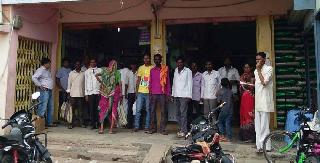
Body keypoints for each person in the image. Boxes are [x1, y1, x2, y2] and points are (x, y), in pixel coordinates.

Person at [254, 52, 274, 153]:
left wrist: (258, 70)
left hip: (265, 102)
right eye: (256, 60)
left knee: (264, 126)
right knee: (257, 126)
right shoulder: (255, 71)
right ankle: (259, 146)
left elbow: (264, 83)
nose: (257, 61)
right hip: (257, 102)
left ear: (264, 60)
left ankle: (266, 146)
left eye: (259, 59)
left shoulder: (269, 69)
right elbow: (258, 86)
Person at [95, 60, 122, 134]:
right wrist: (101, 82)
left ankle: (110, 129)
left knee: (111, 109)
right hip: (109, 92)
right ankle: (102, 128)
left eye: (115, 65)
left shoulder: (116, 72)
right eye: (113, 65)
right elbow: (96, 75)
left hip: (112, 93)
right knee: (105, 109)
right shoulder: (108, 71)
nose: (114, 67)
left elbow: (120, 83)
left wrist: (121, 93)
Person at [149, 54, 171, 135]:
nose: (157, 61)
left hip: (162, 93)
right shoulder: (152, 70)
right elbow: (150, 82)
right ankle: (153, 128)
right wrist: (150, 93)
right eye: (155, 59)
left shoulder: (165, 69)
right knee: (152, 111)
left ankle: (163, 129)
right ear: (154, 60)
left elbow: (168, 82)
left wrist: (168, 93)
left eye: (158, 59)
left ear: (161, 60)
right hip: (153, 94)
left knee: (163, 112)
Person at [32, 58, 57, 127]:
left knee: (50, 106)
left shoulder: (47, 70)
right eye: (49, 63)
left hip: (49, 90)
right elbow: (34, 77)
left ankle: (49, 122)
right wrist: (40, 86)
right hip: (44, 90)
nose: (50, 65)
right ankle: (40, 124)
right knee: (43, 106)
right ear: (45, 64)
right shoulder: (41, 70)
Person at [172, 57, 193, 138]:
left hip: (184, 95)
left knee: (183, 114)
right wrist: (172, 94)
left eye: (181, 62)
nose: (179, 64)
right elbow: (174, 82)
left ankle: (184, 131)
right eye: (178, 62)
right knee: (177, 114)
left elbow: (190, 83)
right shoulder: (176, 70)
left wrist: (189, 96)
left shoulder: (188, 71)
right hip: (177, 95)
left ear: (184, 63)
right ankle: (182, 129)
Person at [133, 54, 153, 132]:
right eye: (144, 58)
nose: (146, 60)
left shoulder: (152, 68)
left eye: (147, 58)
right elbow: (138, 80)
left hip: (149, 92)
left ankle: (147, 126)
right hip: (140, 92)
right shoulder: (141, 68)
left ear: (149, 59)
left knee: (148, 110)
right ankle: (136, 126)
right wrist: (136, 91)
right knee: (138, 110)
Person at [218, 57, 240, 125]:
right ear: (224, 62)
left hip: (232, 92)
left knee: (232, 109)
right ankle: (224, 124)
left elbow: (239, 81)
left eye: (228, 61)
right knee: (223, 108)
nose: (227, 62)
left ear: (230, 62)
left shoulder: (235, 70)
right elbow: (218, 82)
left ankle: (232, 123)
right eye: (226, 61)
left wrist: (232, 82)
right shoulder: (220, 70)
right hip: (222, 92)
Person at [66, 60, 85, 129]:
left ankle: (81, 123)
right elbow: (69, 84)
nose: (77, 65)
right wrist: (68, 94)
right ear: (75, 65)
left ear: (80, 65)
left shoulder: (83, 73)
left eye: (79, 64)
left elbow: (85, 84)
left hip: (81, 94)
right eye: (76, 64)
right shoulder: (71, 73)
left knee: (81, 110)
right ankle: (70, 123)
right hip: (72, 94)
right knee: (72, 110)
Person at [239, 64, 255, 142]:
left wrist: (247, 81)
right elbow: (241, 89)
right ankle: (244, 137)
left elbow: (252, 88)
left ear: (251, 68)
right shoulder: (242, 76)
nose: (246, 69)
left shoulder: (253, 77)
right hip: (244, 98)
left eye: (248, 67)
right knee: (244, 116)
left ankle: (251, 137)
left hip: (250, 98)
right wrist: (242, 80)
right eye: (245, 67)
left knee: (250, 116)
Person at [85, 58, 101, 129]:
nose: (92, 63)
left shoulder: (100, 70)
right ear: (89, 63)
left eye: (94, 62)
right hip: (90, 92)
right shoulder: (87, 71)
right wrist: (86, 94)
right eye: (91, 62)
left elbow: (102, 82)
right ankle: (92, 124)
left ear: (96, 63)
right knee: (91, 109)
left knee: (97, 109)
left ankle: (98, 123)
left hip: (98, 92)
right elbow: (85, 83)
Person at [217, 78, 233, 142]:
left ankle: (222, 135)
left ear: (221, 84)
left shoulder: (220, 91)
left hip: (223, 109)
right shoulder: (230, 91)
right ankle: (228, 137)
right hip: (230, 109)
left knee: (219, 122)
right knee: (227, 123)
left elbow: (218, 101)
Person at [188, 62, 202, 127]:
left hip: (197, 97)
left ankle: (198, 126)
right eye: (192, 66)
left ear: (197, 67)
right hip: (189, 97)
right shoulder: (188, 74)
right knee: (189, 112)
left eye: (195, 66)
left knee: (198, 113)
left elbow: (202, 87)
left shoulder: (200, 75)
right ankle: (190, 127)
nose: (193, 67)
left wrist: (201, 97)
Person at [126, 63, 137, 129]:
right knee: (129, 109)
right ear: (131, 65)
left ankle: (137, 124)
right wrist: (125, 93)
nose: (133, 66)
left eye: (134, 65)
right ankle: (129, 124)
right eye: (132, 65)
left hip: (137, 93)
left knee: (137, 109)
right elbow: (126, 84)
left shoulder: (138, 73)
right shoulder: (128, 73)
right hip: (130, 93)